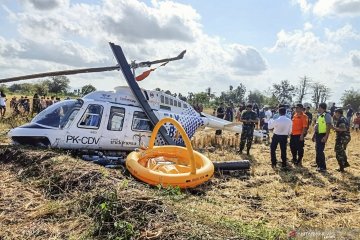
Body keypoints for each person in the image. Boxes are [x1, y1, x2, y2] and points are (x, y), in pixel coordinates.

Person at [312, 103, 332, 172]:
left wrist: (326, 137)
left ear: (322, 108)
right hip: (318, 134)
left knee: (320, 150)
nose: (318, 109)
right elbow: (317, 126)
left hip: (322, 135)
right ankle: (318, 164)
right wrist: (314, 135)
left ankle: (322, 167)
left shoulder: (327, 115)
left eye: (319, 107)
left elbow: (328, 126)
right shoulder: (320, 115)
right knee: (317, 149)